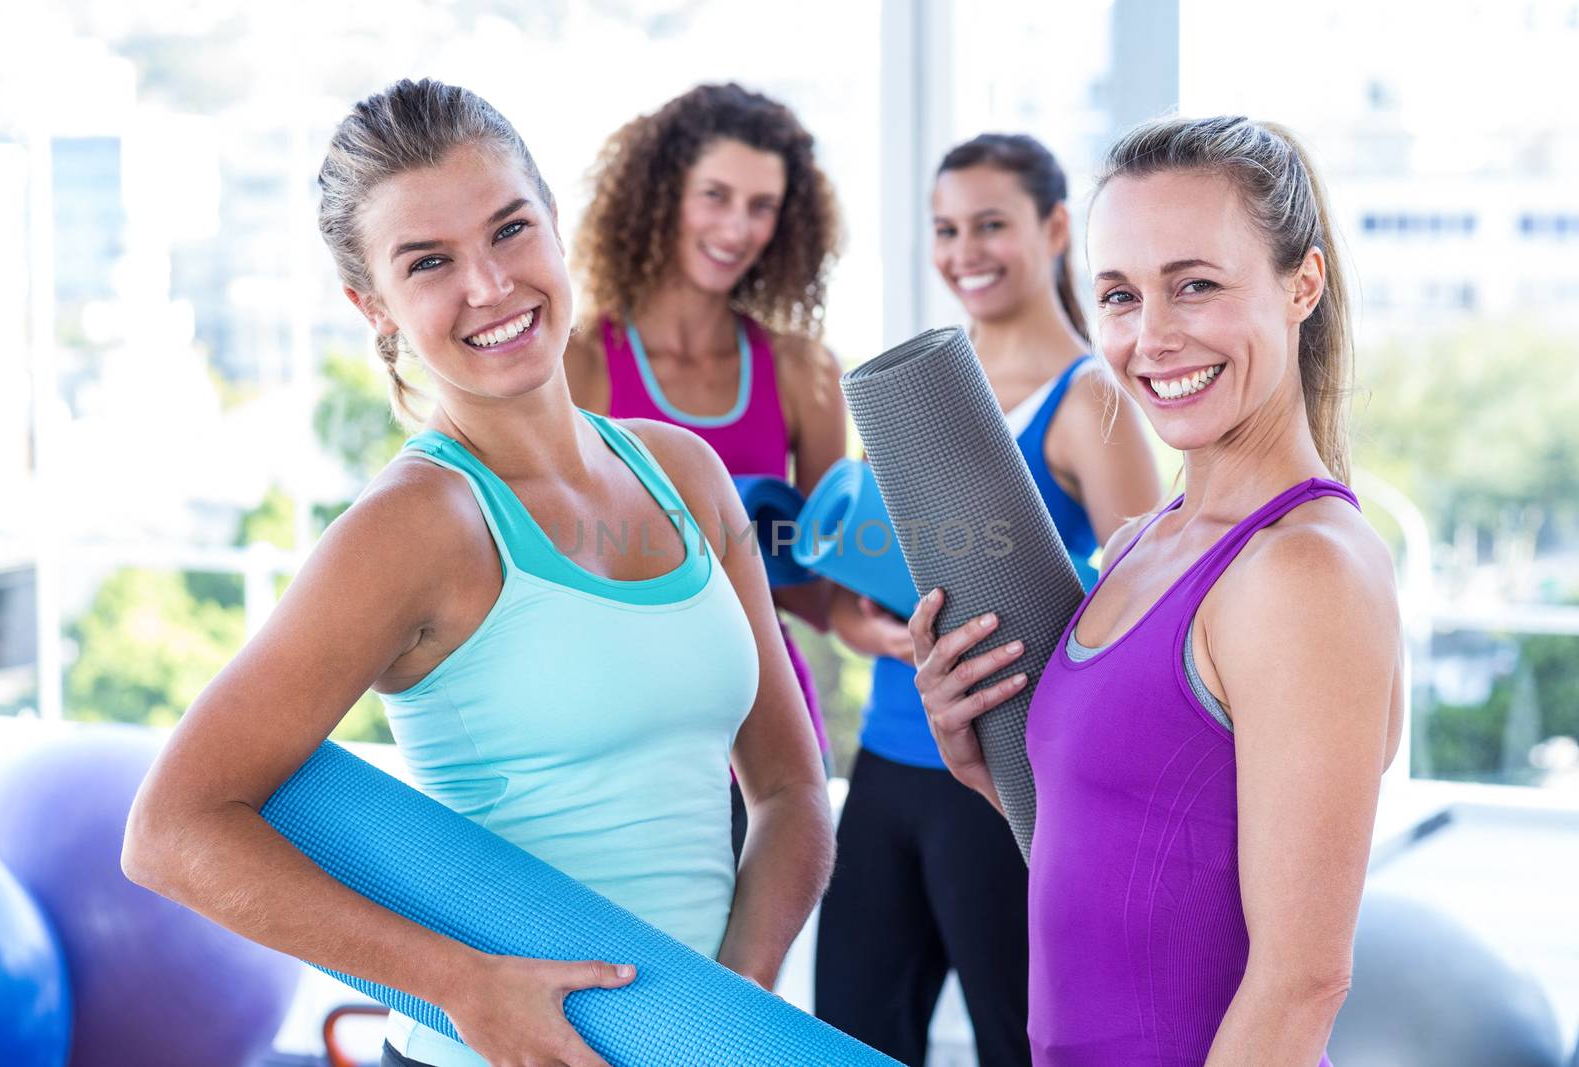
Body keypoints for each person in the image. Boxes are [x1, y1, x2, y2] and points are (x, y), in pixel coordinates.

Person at [120, 79, 833, 1067]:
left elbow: (792, 787)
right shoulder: (413, 526)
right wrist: (460, 984)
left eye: (509, 230)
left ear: (555, 225)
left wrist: (728, 1006)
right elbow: (170, 829)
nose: (491, 286)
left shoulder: (684, 471)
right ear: (372, 306)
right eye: (429, 263)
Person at [912, 115, 1405, 1067]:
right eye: (1120, 295)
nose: (1153, 336)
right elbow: (1131, 850)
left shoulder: (1304, 570)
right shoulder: (1141, 543)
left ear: (1302, 284)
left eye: (1196, 287)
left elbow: (1302, 980)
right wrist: (980, 754)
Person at [815, 133, 1162, 1066]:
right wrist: (879, 630)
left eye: (991, 225)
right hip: (888, 762)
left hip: (1003, 773)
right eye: (945, 228)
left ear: (1055, 229)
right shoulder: (923, 394)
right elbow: (853, 608)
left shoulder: (1094, 397)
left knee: (1023, 1041)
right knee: (847, 1033)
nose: (964, 249)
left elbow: (1150, 598)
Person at [564, 82, 848, 842]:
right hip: (620, 737)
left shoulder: (802, 371)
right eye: (715, 195)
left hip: (765, 746)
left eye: (762, 206)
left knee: (743, 967)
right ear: (661, 197)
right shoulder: (582, 362)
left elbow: (818, 590)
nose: (738, 227)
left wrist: (885, 607)